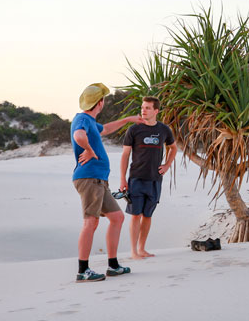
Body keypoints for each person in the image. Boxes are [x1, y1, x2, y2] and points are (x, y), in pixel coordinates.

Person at [71, 83, 144, 282]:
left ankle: (113, 266)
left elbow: (106, 129)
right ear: (100, 102)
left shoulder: (91, 122)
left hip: (99, 181)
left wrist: (129, 120)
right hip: (89, 179)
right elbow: (78, 135)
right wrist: (89, 150)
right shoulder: (82, 119)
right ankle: (82, 270)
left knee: (117, 217)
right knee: (91, 222)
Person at [119, 96, 177, 260]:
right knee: (135, 214)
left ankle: (142, 248)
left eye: (148, 108)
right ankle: (133, 251)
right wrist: (123, 179)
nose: (143, 110)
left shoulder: (164, 130)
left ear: (156, 111)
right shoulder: (134, 129)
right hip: (136, 178)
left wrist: (167, 165)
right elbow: (125, 155)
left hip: (155, 179)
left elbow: (173, 148)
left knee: (147, 215)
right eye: (143, 107)